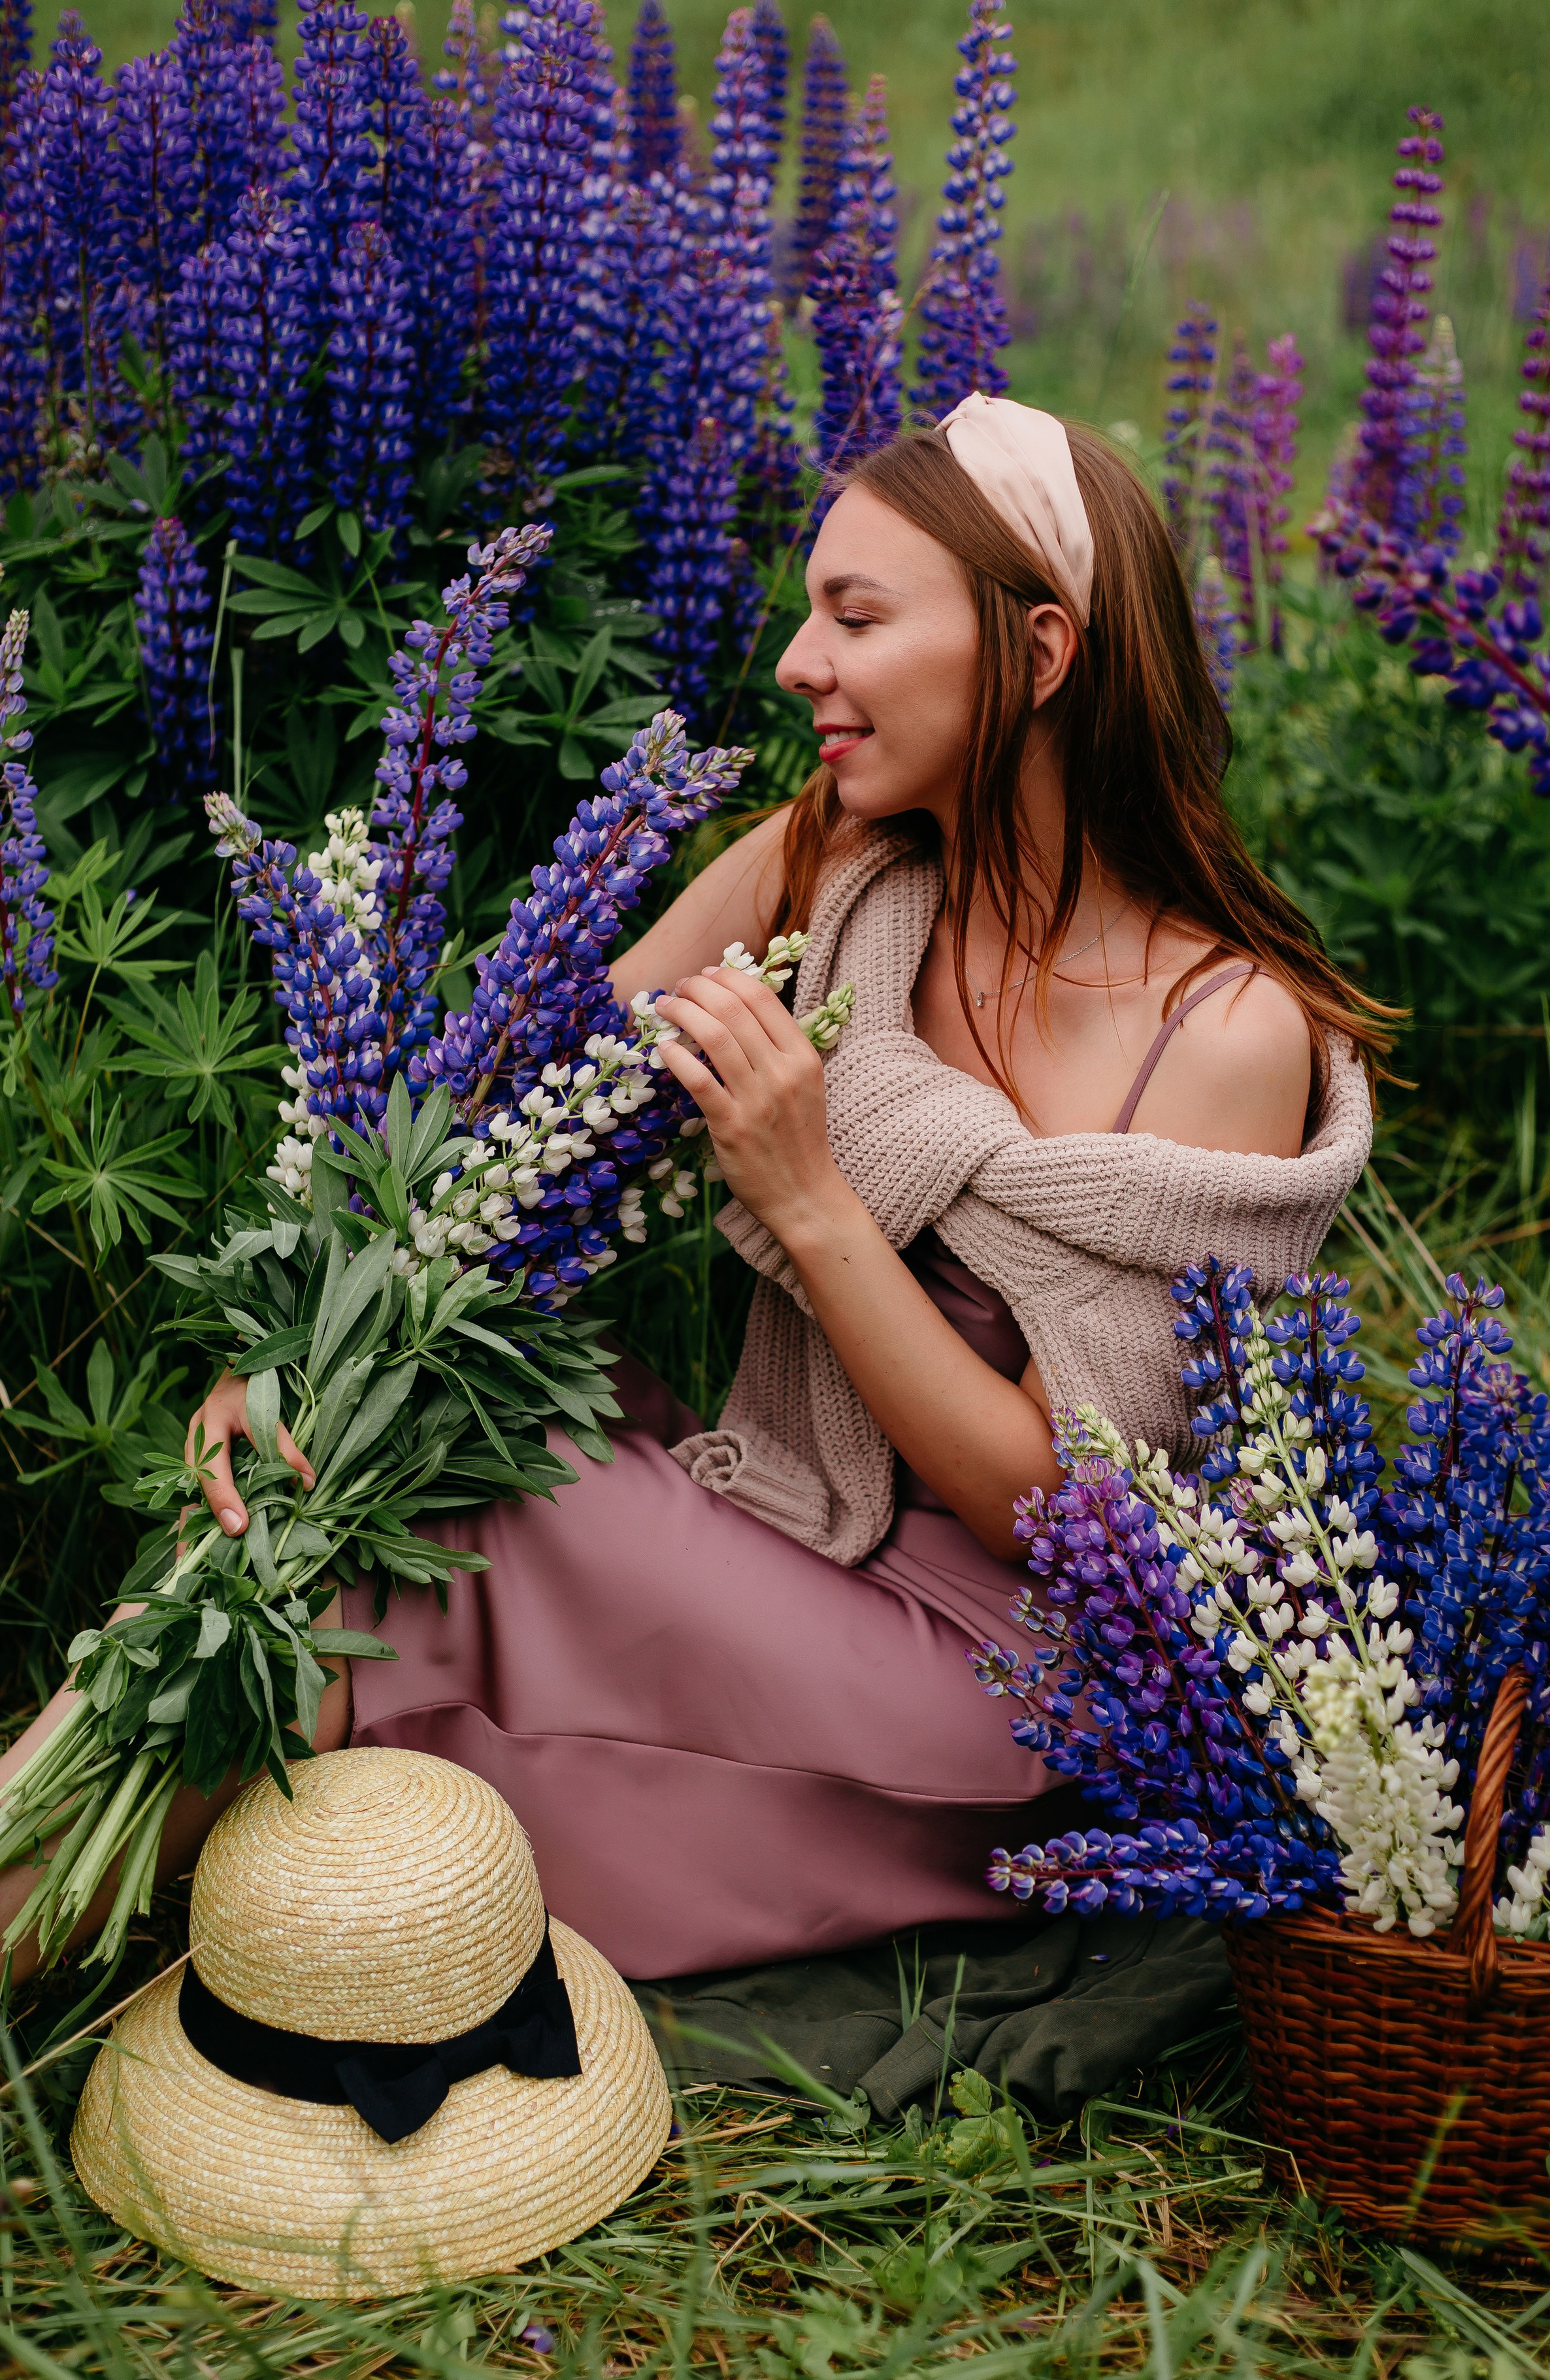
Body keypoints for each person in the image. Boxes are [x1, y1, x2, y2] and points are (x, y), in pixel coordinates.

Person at [0, 397, 1386, 1982]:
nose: (798, 660)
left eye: (855, 617)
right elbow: (521, 1127)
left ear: (1042, 652)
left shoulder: (1226, 1033)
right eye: (811, 610)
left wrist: (808, 1198)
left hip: (1008, 1682)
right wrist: (312, 1349)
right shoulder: (832, 869)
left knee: (454, 1518)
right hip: (782, 1529)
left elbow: (1061, 1516)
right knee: (367, 1465)